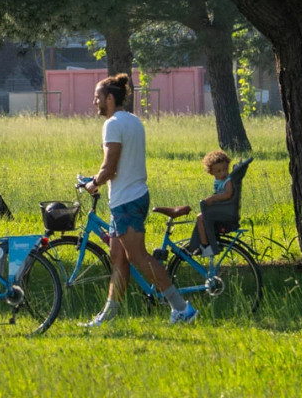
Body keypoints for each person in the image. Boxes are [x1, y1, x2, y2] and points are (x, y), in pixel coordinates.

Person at [82, 73, 197, 326]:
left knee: (138, 257)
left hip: (127, 200)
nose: (95, 102)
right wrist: (99, 178)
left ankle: (182, 309)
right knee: (118, 258)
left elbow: (110, 166)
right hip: (127, 198)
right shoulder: (133, 121)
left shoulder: (112, 124)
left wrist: (93, 183)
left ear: (110, 98)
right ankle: (108, 317)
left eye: (97, 98)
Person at [194, 150, 234, 258]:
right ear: (211, 172)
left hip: (224, 210)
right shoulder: (218, 180)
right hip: (220, 208)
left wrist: (213, 198)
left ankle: (205, 245)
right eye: (219, 171)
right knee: (200, 218)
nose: (223, 173)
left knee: (200, 218)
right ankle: (204, 242)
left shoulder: (227, 181)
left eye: (225, 169)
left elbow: (228, 194)